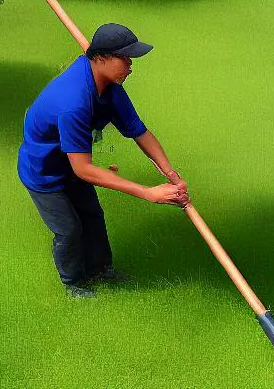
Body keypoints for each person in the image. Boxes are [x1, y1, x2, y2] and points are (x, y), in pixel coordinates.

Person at [18, 23, 190, 298]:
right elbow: (84, 169)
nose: (130, 65)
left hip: (74, 161)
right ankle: (73, 283)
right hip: (45, 172)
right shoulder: (73, 101)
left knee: (92, 215)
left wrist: (172, 175)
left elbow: (140, 132)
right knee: (69, 230)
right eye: (124, 58)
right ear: (99, 58)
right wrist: (147, 192)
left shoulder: (109, 88)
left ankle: (100, 268)